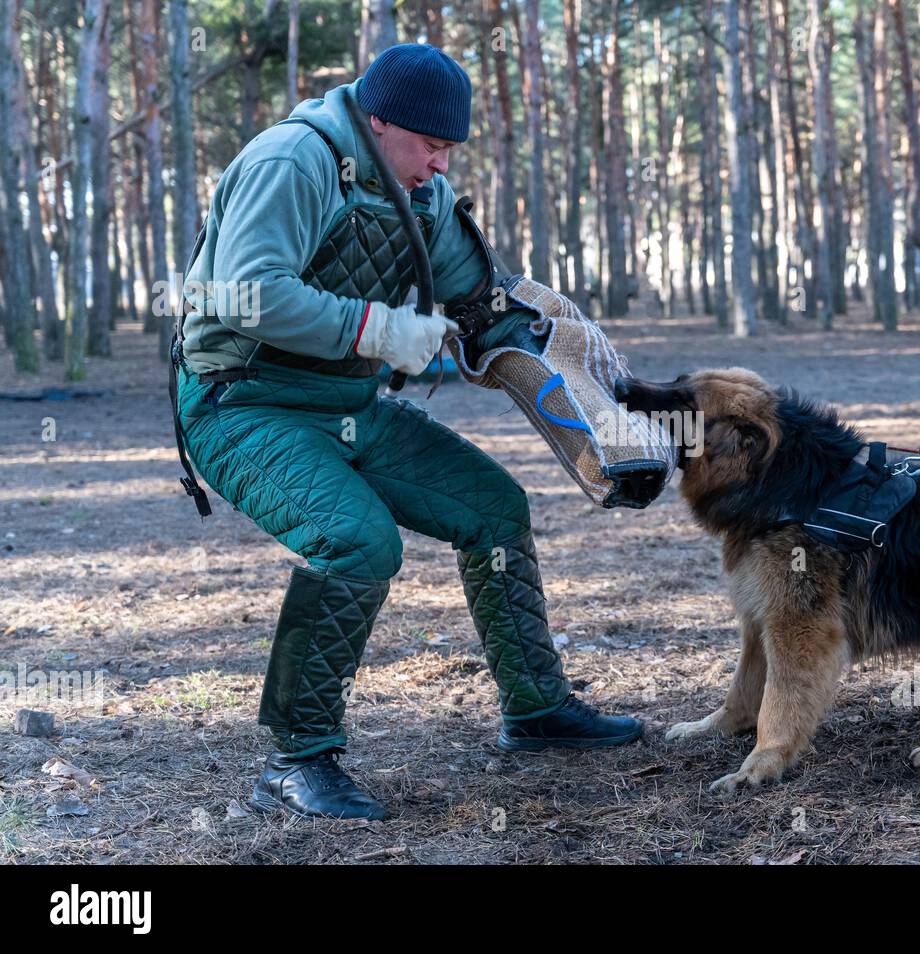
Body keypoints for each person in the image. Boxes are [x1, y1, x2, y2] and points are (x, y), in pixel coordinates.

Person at [170, 43, 643, 822]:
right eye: (429, 146)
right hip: (242, 404)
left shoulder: (424, 196)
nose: (437, 165)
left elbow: (481, 307)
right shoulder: (295, 160)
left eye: (449, 149)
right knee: (357, 541)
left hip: (349, 408)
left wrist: (605, 410)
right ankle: (296, 761)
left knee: (493, 509)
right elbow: (242, 295)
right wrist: (375, 329)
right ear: (376, 120)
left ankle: (537, 712)